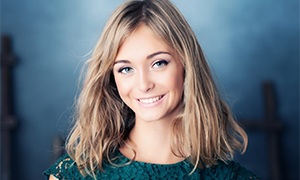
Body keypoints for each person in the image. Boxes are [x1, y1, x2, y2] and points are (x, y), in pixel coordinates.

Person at [44, 0, 259, 179]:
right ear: (112, 79)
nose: (144, 84)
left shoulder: (232, 177)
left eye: (158, 63)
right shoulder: (75, 174)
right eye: (126, 68)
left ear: (186, 64)